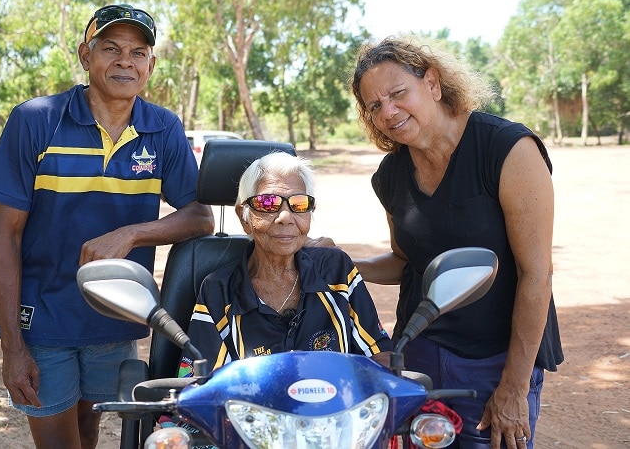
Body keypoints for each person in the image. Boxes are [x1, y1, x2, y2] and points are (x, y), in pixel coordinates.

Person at [0, 3, 214, 449]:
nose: (125, 61)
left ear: (151, 64)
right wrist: (12, 346)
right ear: (87, 56)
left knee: (89, 433)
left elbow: (200, 216)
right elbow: (4, 236)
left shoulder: (162, 128)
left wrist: (132, 233)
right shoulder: (36, 120)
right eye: (111, 48)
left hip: (116, 318)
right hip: (44, 321)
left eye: (138, 52)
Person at [349, 35, 563, 449]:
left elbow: (537, 274)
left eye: (397, 93)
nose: (388, 111)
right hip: (419, 356)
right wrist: (342, 263)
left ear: (432, 82)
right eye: (374, 106)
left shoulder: (507, 149)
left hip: (494, 363)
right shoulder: (390, 175)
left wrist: (514, 388)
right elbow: (405, 261)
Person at [177, 151, 393, 377]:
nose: (285, 217)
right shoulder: (219, 290)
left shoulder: (336, 270)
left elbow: (379, 355)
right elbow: (199, 382)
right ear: (244, 217)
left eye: (299, 204)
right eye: (268, 203)